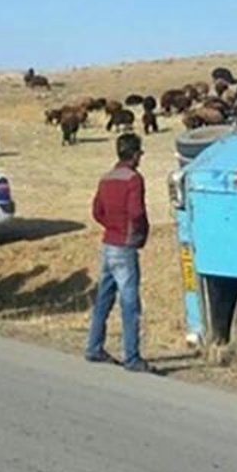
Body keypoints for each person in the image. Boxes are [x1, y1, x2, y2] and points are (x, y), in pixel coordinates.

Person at [84, 132, 154, 372]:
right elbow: (136, 212)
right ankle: (132, 356)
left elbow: (96, 211)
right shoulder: (134, 179)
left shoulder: (106, 178)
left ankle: (94, 346)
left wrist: (111, 225)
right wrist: (139, 233)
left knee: (103, 298)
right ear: (134, 155)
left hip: (108, 244)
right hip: (125, 246)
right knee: (129, 302)